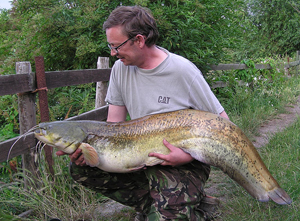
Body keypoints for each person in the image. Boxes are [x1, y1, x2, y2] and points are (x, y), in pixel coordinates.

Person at [57, 5, 229, 221]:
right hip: (140, 152)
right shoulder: (120, 68)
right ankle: (158, 206)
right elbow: (113, 126)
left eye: (116, 46)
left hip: (184, 161)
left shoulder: (183, 71)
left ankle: (183, 206)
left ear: (139, 40)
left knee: (169, 207)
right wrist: (88, 153)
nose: (112, 53)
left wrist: (184, 157)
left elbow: (223, 127)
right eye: (109, 46)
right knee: (81, 170)